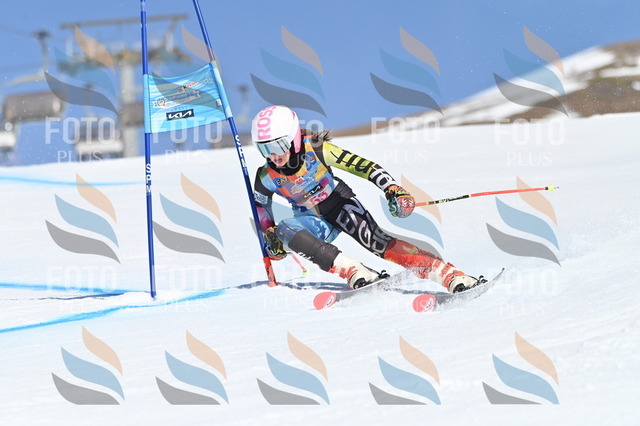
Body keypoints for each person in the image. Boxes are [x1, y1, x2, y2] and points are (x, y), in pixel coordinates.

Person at [251, 105, 478, 292]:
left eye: (278, 145)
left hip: (340, 204)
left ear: (294, 139)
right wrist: (271, 237)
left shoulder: (317, 149)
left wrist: (392, 189)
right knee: (285, 230)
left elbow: (365, 167)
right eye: (265, 149)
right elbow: (261, 209)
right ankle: (353, 270)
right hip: (311, 220)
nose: (273, 155)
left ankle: (448, 275)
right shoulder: (265, 176)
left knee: (380, 244)